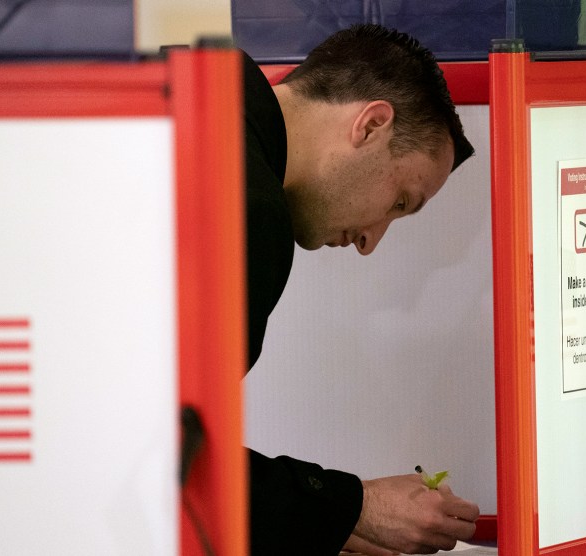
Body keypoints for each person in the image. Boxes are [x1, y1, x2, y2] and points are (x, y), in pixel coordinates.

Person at [242, 24, 480, 555]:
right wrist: (354, 506)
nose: (371, 241)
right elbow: (160, 456)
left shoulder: (186, 90)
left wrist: (329, 520)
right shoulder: (251, 214)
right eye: (400, 201)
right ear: (371, 125)